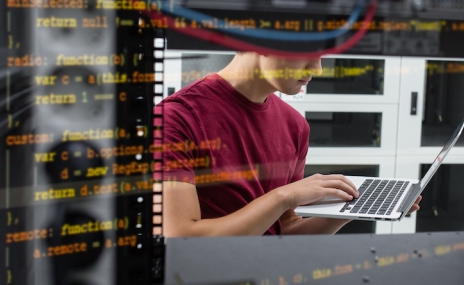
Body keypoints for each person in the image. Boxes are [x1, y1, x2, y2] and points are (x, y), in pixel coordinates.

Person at [160, 51, 421, 236]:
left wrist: (358, 208)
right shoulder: (176, 118)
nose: (317, 68)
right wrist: (285, 196)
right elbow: (181, 238)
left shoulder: (295, 125)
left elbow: (285, 229)